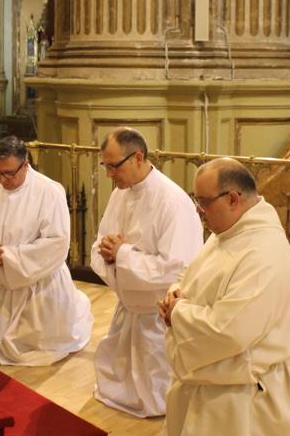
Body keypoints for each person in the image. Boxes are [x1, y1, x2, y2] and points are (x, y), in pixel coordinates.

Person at [159, 158, 290, 435]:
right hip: (213, 384)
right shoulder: (229, 231)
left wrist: (178, 312)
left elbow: (229, 331)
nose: (199, 212)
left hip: (244, 400)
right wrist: (175, 294)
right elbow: (193, 276)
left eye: (203, 203)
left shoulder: (263, 252)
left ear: (232, 199)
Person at [91, 128, 203, 417]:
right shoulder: (121, 194)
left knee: (158, 395)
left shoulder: (172, 202)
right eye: (106, 165)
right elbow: (102, 241)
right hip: (129, 308)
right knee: (118, 379)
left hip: (156, 315)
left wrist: (122, 254)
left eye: (114, 166)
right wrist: (108, 252)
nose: (109, 174)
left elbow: (177, 269)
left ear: (138, 157)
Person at [0, 136, 93, 365]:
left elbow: (56, 242)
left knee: (35, 346)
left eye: (9, 173)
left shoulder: (49, 191)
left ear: (26, 164)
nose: (3, 180)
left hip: (37, 285)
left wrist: (10, 257)